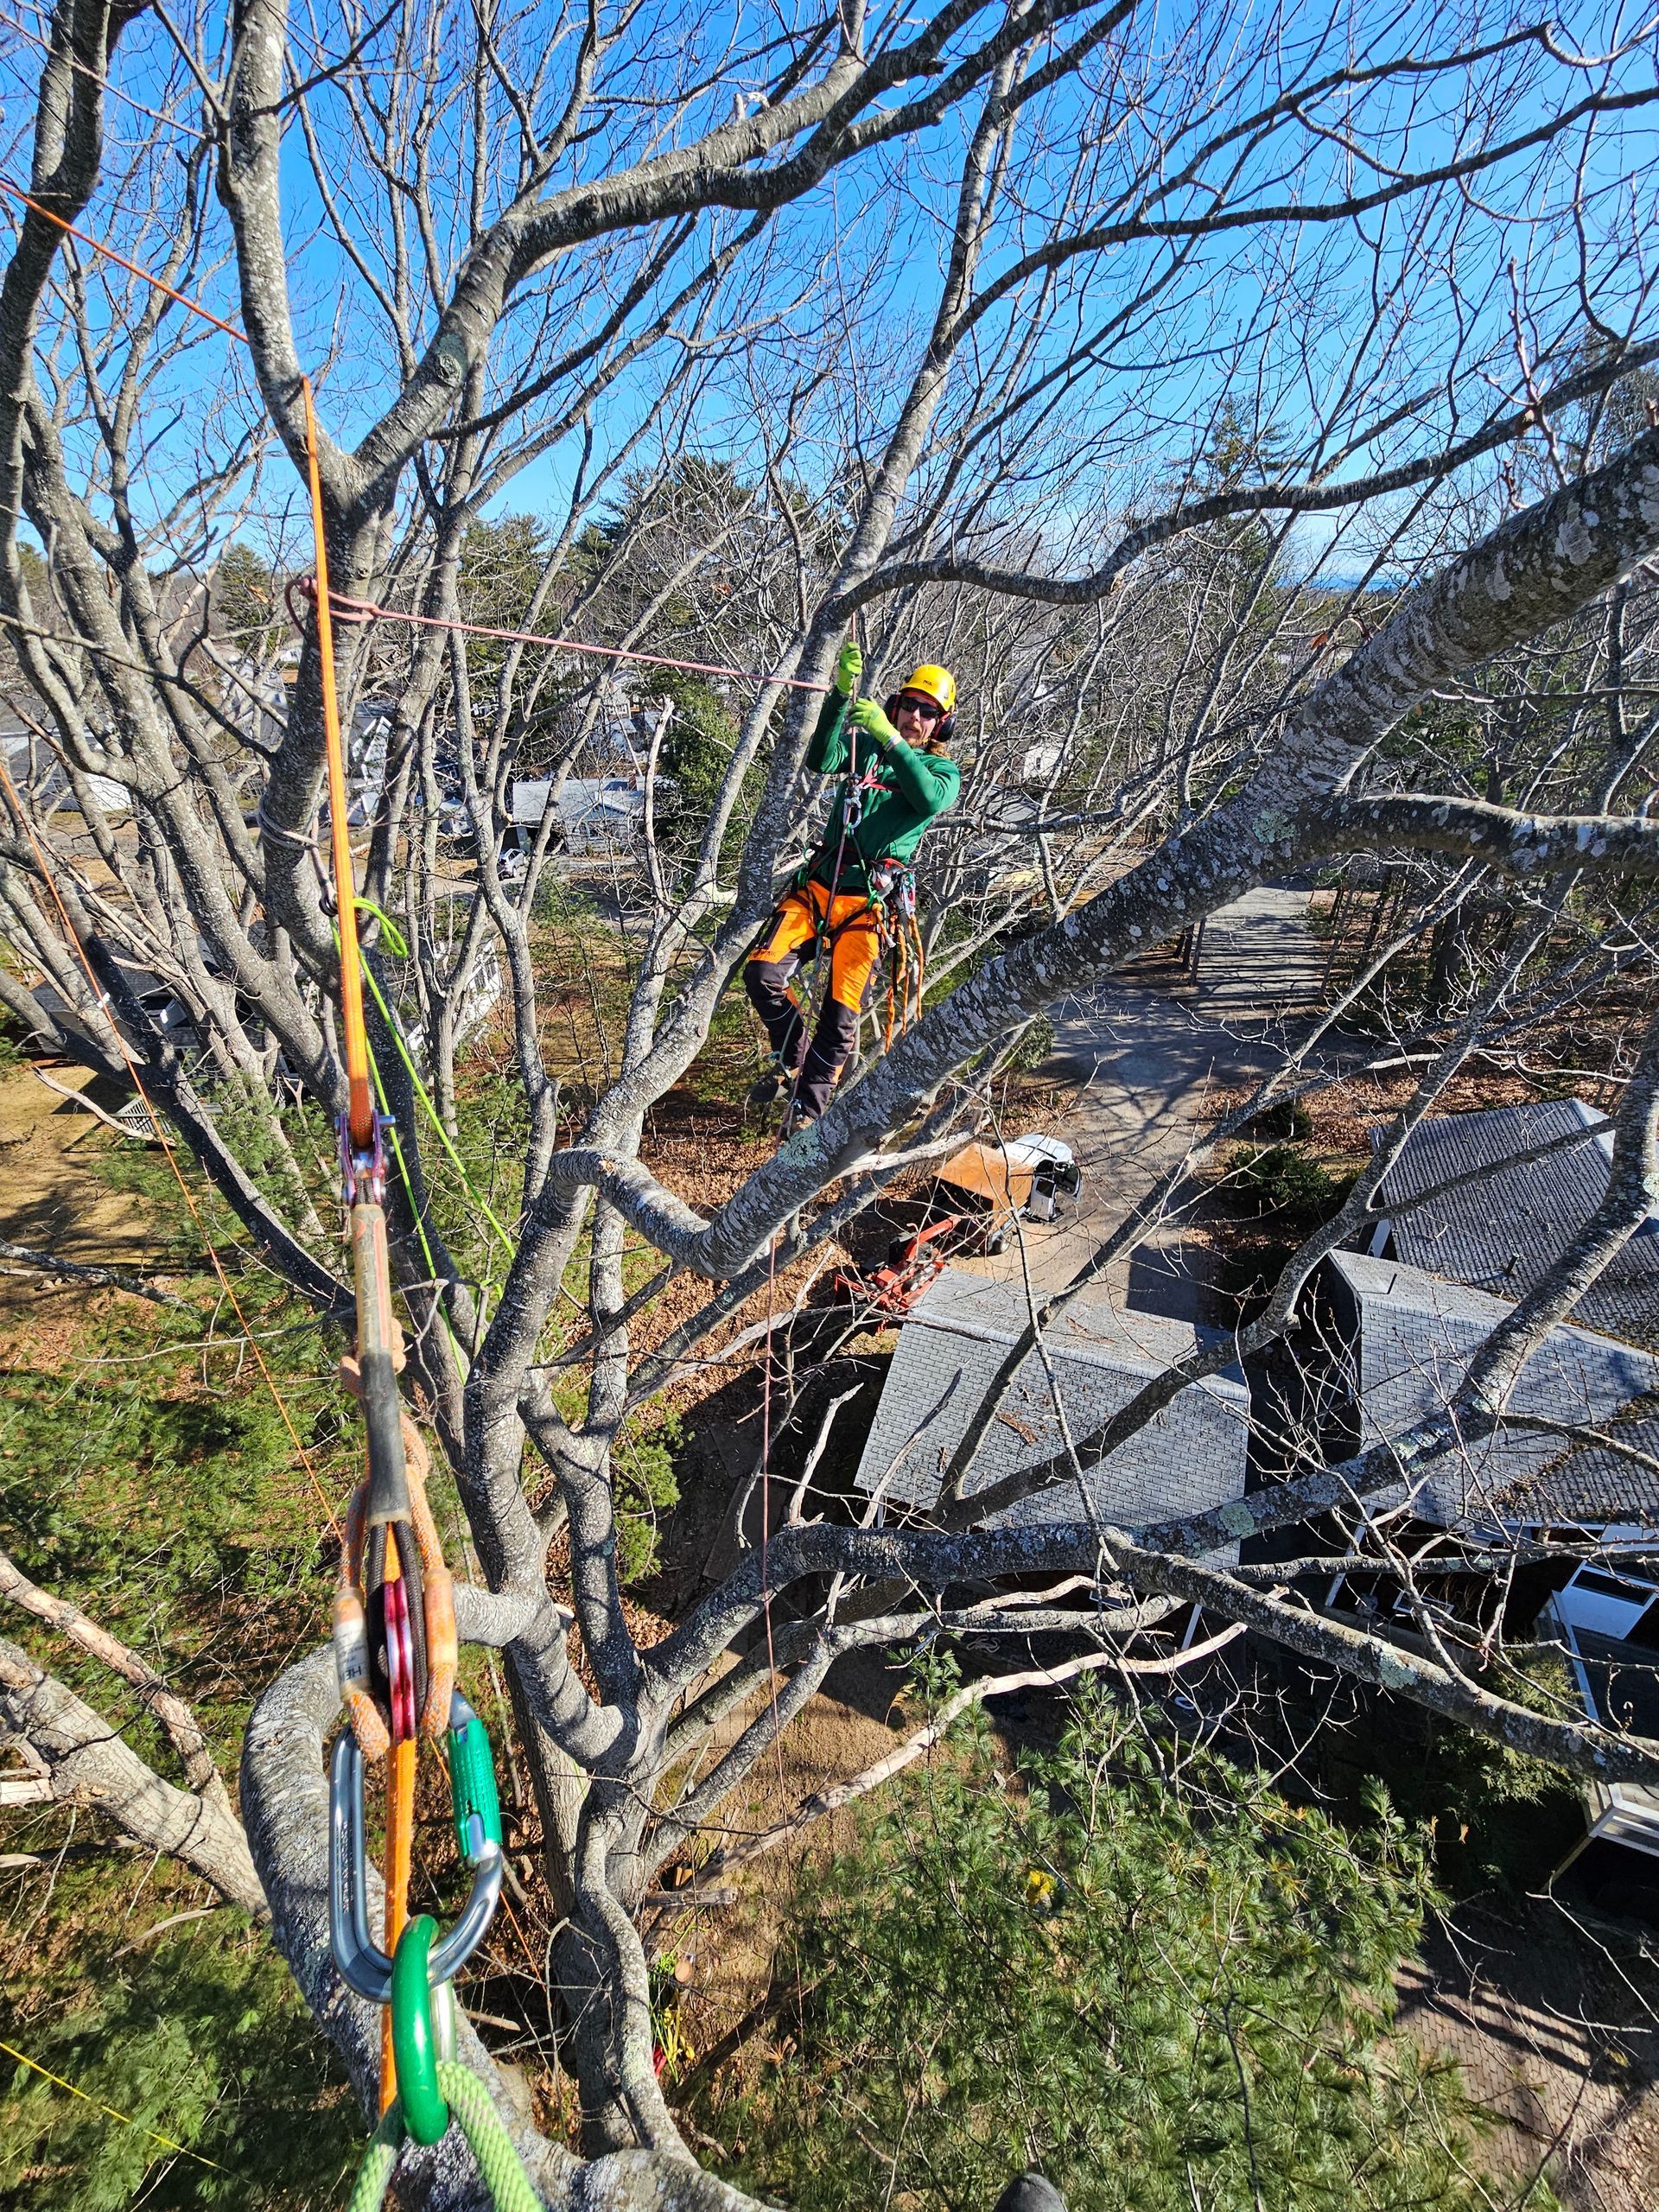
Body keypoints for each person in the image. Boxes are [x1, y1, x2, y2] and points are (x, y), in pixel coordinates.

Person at [746, 642, 961, 1124]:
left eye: (929, 712)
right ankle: (794, 1059)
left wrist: (891, 741)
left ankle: (808, 1109)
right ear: (896, 704)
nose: (915, 717)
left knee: (841, 1015)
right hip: (820, 887)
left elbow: (927, 800)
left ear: (940, 724)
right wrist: (840, 697)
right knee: (762, 975)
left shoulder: (940, 770)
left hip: (869, 904)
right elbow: (822, 758)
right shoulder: (866, 752)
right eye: (909, 705)